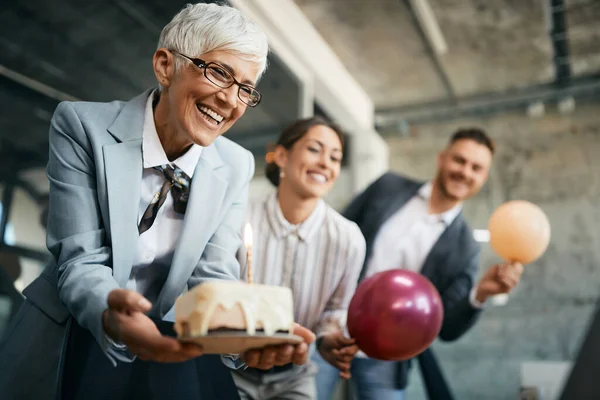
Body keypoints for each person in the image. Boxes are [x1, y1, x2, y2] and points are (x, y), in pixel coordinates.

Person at [0, 4, 315, 400]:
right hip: (78, 326)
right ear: (166, 65)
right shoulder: (81, 126)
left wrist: (245, 340)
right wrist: (112, 314)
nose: (230, 100)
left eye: (246, 88)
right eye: (219, 73)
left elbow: (212, 276)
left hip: (168, 337)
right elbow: (79, 261)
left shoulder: (235, 164)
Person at [313, 128, 525, 400]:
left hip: (387, 357)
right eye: (459, 160)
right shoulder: (388, 186)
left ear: (483, 178)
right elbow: (337, 233)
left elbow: (446, 328)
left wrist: (481, 294)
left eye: (476, 168)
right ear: (442, 158)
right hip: (329, 330)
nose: (465, 171)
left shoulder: (466, 248)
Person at [232, 117, 366, 400]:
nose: (325, 163)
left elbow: (335, 311)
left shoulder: (348, 239)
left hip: (295, 375)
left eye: (335, 157)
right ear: (281, 156)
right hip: (229, 367)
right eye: (314, 149)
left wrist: (330, 339)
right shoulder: (238, 217)